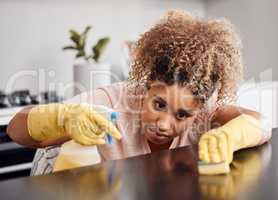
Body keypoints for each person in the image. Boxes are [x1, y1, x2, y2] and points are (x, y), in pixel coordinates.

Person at [7, 10, 271, 175]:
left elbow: (262, 123)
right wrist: (62, 118)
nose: (164, 124)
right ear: (146, 88)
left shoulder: (206, 114)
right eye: (158, 104)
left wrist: (231, 135)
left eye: (181, 115)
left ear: (199, 110)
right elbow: (16, 128)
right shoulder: (114, 102)